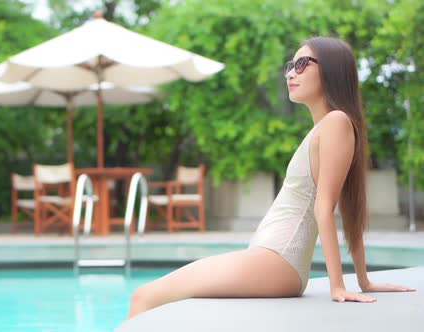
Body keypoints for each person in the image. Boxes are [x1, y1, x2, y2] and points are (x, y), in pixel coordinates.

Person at [126, 36, 415, 319]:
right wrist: (363, 279)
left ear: (331, 71)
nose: (291, 72)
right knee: (150, 298)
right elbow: (352, 205)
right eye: (291, 64)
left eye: (302, 64)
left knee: (144, 296)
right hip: (273, 258)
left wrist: (337, 286)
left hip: (278, 260)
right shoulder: (325, 128)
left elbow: (324, 207)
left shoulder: (336, 122)